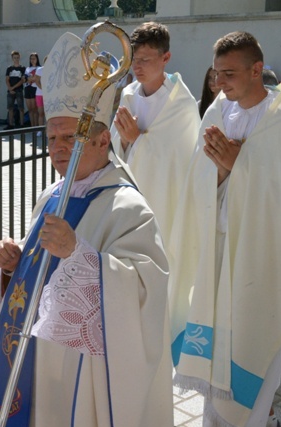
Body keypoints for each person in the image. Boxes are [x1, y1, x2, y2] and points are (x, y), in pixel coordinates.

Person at [0, 31, 174, 427]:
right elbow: (38, 274)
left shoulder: (128, 208)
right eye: (51, 138)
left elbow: (145, 293)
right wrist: (14, 264)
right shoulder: (50, 196)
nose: (58, 149)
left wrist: (79, 254)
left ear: (101, 139)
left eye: (70, 138)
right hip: (34, 359)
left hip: (83, 371)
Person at [169, 31, 281, 427]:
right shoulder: (216, 113)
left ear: (257, 69)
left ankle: (253, 426)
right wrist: (224, 171)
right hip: (219, 246)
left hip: (263, 254)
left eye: (229, 73)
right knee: (216, 352)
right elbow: (198, 179)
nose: (220, 83)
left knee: (253, 339)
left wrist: (240, 167)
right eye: (216, 75)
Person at [111, 21, 200, 255]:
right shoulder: (129, 95)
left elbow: (182, 163)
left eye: (145, 60)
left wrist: (137, 139)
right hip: (130, 194)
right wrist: (123, 140)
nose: (136, 67)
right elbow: (114, 146)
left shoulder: (181, 104)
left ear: (166, 58)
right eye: (133, 60)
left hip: (164, 199)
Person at [5, 50, 26, 128]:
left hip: (19, 90)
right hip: (10, 90)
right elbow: (7, 79)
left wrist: (13, 88)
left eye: (17, 58)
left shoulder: (22, 68)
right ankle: (10, 124)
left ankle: (21, 124)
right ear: (12, 58)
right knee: (10, 108)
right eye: (14, 58)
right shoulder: (9, 68)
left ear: (19, 58)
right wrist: (10, 88)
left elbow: (22, 80)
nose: (16, 59)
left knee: (21, 108)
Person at [24, 52, 41, 127]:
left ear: (37, 59)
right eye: (31, 58)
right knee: (30, 109)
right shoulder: (27, 68)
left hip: (35, 88)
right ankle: (32, 126)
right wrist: (29, 79)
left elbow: (35, 79)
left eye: (34, 58)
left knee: (35, 109)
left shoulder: (39, 68)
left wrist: (30, 79)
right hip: (27, 88)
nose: (32, 60)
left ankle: (36, 127)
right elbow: (24, 79)